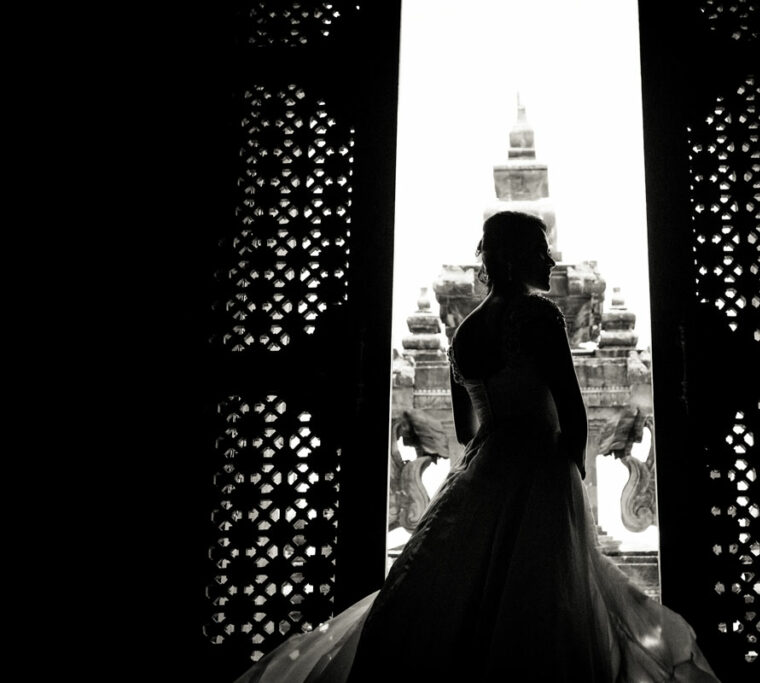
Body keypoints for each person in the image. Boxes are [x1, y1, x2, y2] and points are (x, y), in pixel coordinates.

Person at [234, 211, 719, 682]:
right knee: (546, 602)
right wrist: (571, 471)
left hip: (481, 469)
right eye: (539, 251)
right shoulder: (541, 314)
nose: (548, 262)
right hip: (541, 466)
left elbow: (465, 430)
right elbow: (572, 407)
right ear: (512, 259)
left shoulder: (463, 334)